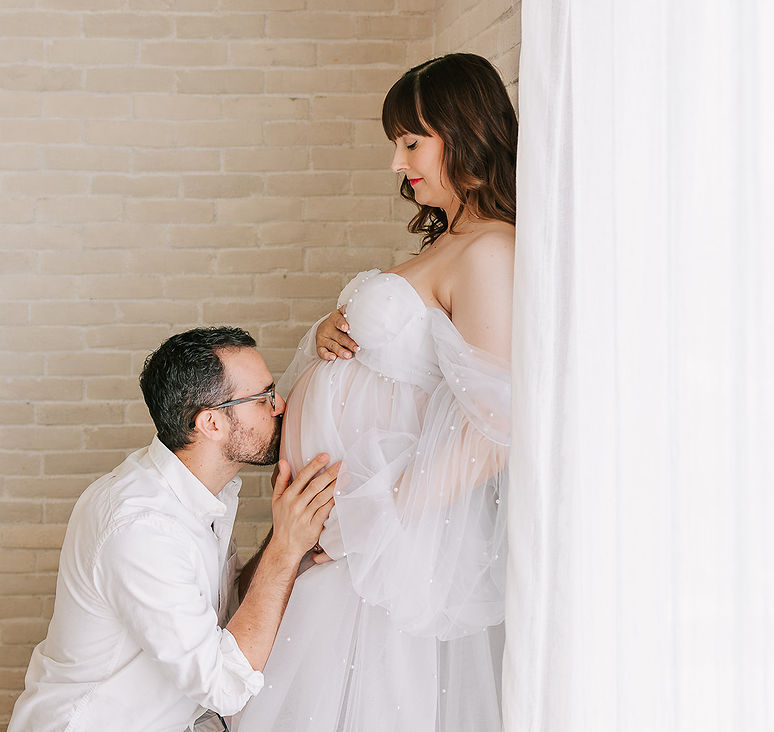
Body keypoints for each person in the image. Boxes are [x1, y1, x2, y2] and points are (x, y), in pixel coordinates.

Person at [235, 54, 516, 731]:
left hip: (385, 536)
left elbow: (495, 423)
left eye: (411, 141)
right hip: (344, 519)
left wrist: (376, 519)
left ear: (464, 133)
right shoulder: (448, 243)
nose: (397, 162)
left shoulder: (490, 251)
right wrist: (332, 331)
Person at [8, 327, 340, 732]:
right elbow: (223, 685)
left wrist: (289, 537)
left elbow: (229, 611)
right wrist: (285, 549)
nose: (280, 405)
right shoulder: (142, 527)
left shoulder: (196, 492)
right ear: (212, 423)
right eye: (265, 396)